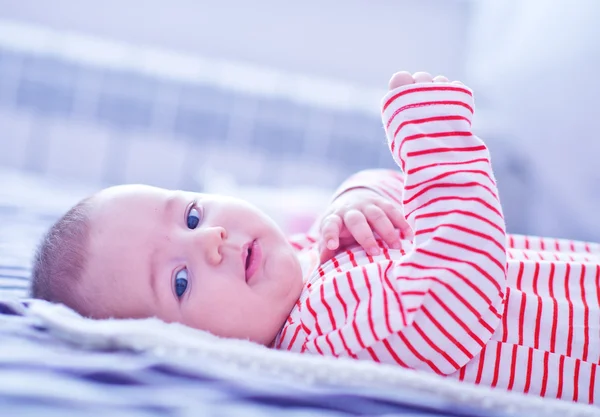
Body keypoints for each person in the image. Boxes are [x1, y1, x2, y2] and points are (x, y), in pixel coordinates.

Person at [31, 71, 599, 404]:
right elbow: (458, 285)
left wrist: (358, 197)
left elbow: (404, 212)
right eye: (180, 281)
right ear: (183, 345)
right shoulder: (323, 338)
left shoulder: (305, 261)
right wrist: (432, 137)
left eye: (193, 215)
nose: (212, 240)